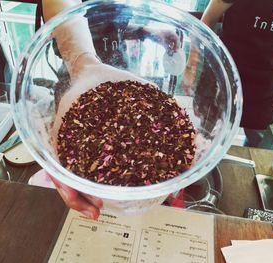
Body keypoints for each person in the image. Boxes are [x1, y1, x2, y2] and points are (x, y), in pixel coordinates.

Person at [41, 0, 180, 219]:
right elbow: (61, 5)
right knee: (87, 199)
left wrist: (146, 31)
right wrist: (84, 67)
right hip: (75, 84)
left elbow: (112, 19)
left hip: (117, 72)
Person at [199, 0, 273, 147]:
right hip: (225, 70)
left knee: (258, 136)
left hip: (267, 76)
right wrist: (195, 63)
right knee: (209, 129)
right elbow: (208, 20)